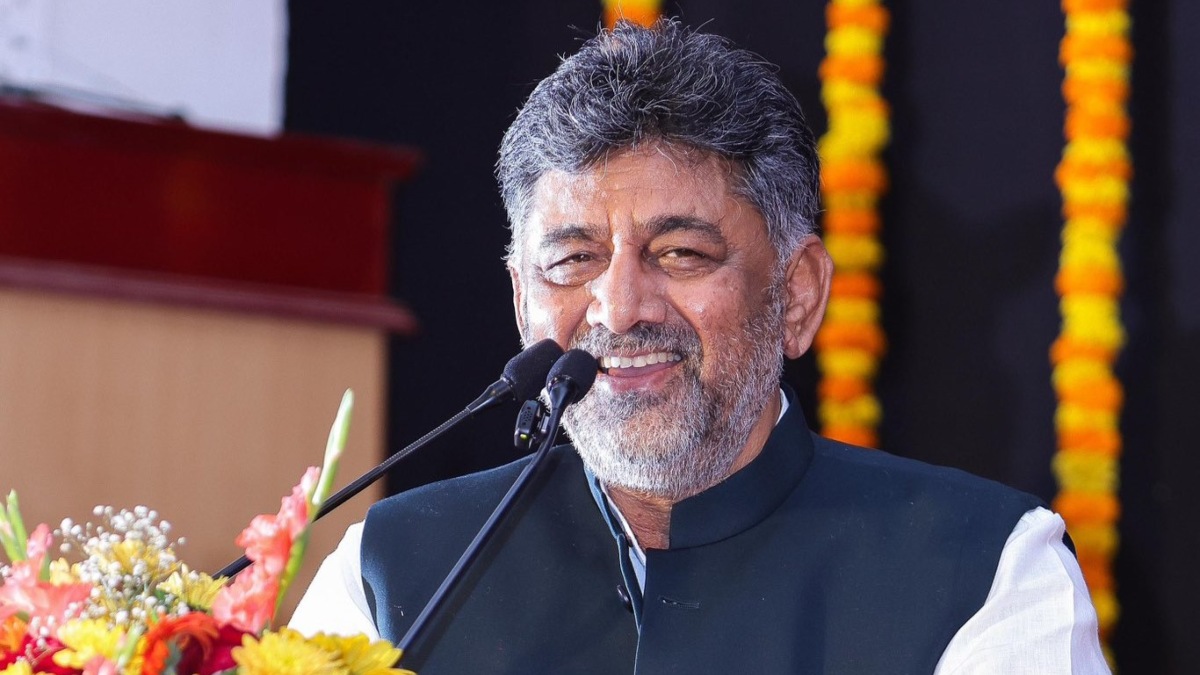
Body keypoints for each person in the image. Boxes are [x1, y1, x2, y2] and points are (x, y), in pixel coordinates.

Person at [291, 19, 1109, 674]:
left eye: (681, 252)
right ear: (520, 302)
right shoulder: (390, 573)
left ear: (797, 294)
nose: (620, 309)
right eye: (573, 260)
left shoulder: (985, 570)